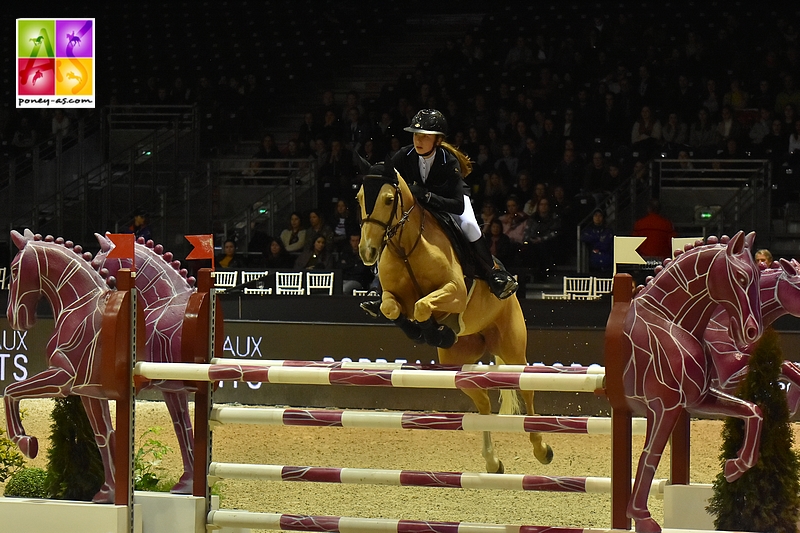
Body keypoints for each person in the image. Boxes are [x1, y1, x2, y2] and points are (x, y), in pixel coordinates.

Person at [389, 109, 518, 299]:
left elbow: (457, 205)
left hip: (449, 201)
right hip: (420, 205)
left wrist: (426, 196)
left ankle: (493, 274)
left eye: (425, 137)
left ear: (437, 140)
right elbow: (386, 175)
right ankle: (381, 281)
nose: (418, 141)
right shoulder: (404, 154)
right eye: (416, 135)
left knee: (469, 225)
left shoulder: (448, 162)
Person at [520, 196, 562, 281]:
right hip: (533, 242)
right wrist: (530, 239)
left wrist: (541, 239)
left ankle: (542, 273)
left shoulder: (554, 218)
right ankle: (532, 272)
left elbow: (555, 232)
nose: (544, 206)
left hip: (548, 243)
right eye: (541, 204)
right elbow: (527, 231)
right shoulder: (533, 218)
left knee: (543, 248)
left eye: (546, 204)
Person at [580, 208, 614, 274]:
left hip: (607, 262)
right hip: (594, 262)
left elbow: (606, 244)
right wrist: (598, 239)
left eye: (600, 215)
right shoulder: (588, 230)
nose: (597, 218)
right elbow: (584, 237)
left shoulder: (608, 230)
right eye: (595, 215)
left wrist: (595, 243)